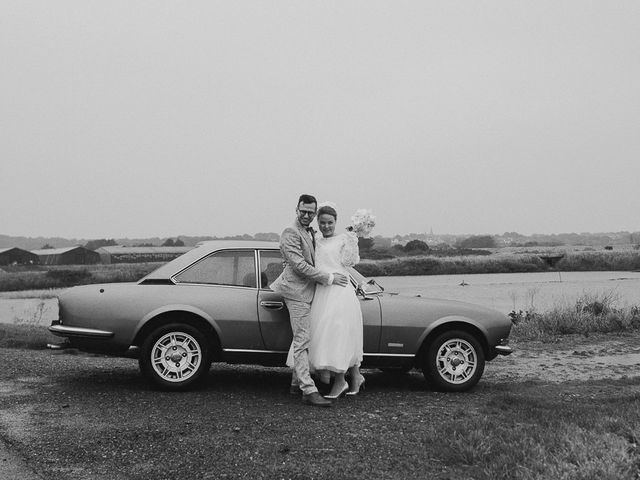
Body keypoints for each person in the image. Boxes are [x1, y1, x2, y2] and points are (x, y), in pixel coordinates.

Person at [270, 194, 349, 407]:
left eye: (310, 213)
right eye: (303, 211)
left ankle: (296, 384)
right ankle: (308, 389)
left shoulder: (309, 231)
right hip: (296, 291)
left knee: (303, 338)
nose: (307, 215)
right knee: (303, 339)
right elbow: (299, 265)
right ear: (296, 209)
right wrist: (330, 278)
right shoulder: (290, 232)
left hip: (309, 292)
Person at [303, 204, 365, 398]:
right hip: (322, 291)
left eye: (330, 222)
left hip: (339, 292)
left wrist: (353, 238)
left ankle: (340, 382)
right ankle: (355, 377)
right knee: (328, 336)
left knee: (338, 335)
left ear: (335, 222)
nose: (326, 226)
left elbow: (348, 262)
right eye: (322, 222)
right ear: (318, 223)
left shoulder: (344, 239)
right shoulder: (316, 240)